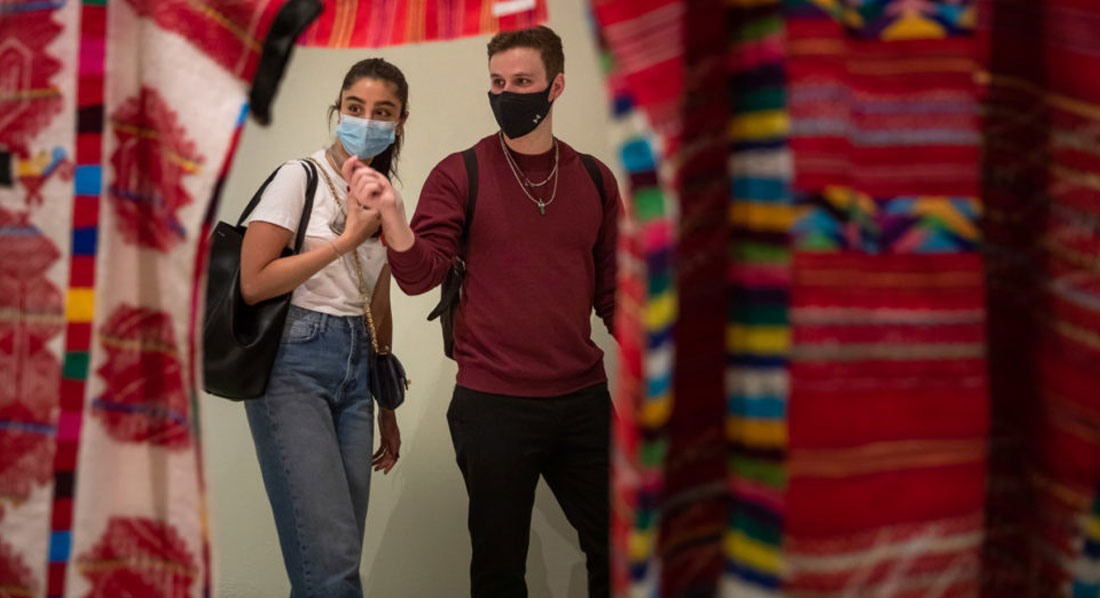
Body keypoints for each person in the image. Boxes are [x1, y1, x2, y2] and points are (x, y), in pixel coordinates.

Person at [349, 26, 620, 598]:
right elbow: (420, 275)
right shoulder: (461, 173)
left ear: (556, 86)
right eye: (498, 83)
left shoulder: (594, 178)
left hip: (583, 401)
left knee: (622, 550)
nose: (507, 94)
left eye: (523, 82)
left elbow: (616, 294)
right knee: (499, 570)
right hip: (493, 405)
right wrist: (394, 218)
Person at [237, 57, 407, 598]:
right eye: (355, 108)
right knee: (331, 570)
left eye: (383, 112)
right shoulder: (299, 177)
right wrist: (345, 240)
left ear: (400, 122)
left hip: (358, 371)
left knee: (334, 559)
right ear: (338, 108)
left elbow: (377, 304)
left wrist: (387, 404)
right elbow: (253, 281)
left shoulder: (386, 196)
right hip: (295, 366)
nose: (366, 120)